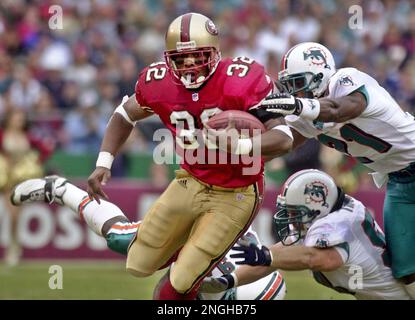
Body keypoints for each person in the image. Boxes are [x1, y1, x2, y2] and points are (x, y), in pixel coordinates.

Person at [81, 13, 293, 299]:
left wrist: (239, 146)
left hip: (236, 191)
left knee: (180, 283)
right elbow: (124, 114)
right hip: (190, 180)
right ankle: (195, 249)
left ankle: (201, 261)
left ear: (215, 52)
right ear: (169, 59)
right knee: (138, 264)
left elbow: (284, 138)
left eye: (197, 57)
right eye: (181, 60)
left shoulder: (241, 78)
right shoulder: (159, 81)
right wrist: (103, 162)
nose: (190, 66)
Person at [259, 42, 415, 298]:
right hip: (399, 182)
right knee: (406, 270)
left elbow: (340, 109)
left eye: (298, 83)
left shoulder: (347, 80)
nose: (294, 93)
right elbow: (283, 143)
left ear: (320, 74)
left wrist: (298, 107)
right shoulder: (309, 112)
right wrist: (241, 146)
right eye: (290, 87)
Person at [10, 175, 286, 300]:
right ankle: (60, 190)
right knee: (121, 238)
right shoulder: (221, 276)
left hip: (218, 257)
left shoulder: (253, 285)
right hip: (195, 227)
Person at [200, 169, 412, 300]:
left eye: (294, 212)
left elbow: (322, 259)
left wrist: (266, 255)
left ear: (318, 204)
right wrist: (230, 281)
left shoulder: (337, 224)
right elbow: (279, 255)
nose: (290, 218)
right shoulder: (330, 213)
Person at [0, 109, 53, 266]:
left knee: (16, 216)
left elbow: (45, 149)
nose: (19, 121)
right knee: (12, 215)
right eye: (16, 117)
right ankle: (13, 247)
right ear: (9, 119)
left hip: (21, 179)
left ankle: (14, 247)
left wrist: (34, 162)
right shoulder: (3, 134)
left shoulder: (28, 136)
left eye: (21, 118)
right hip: (6, 179)